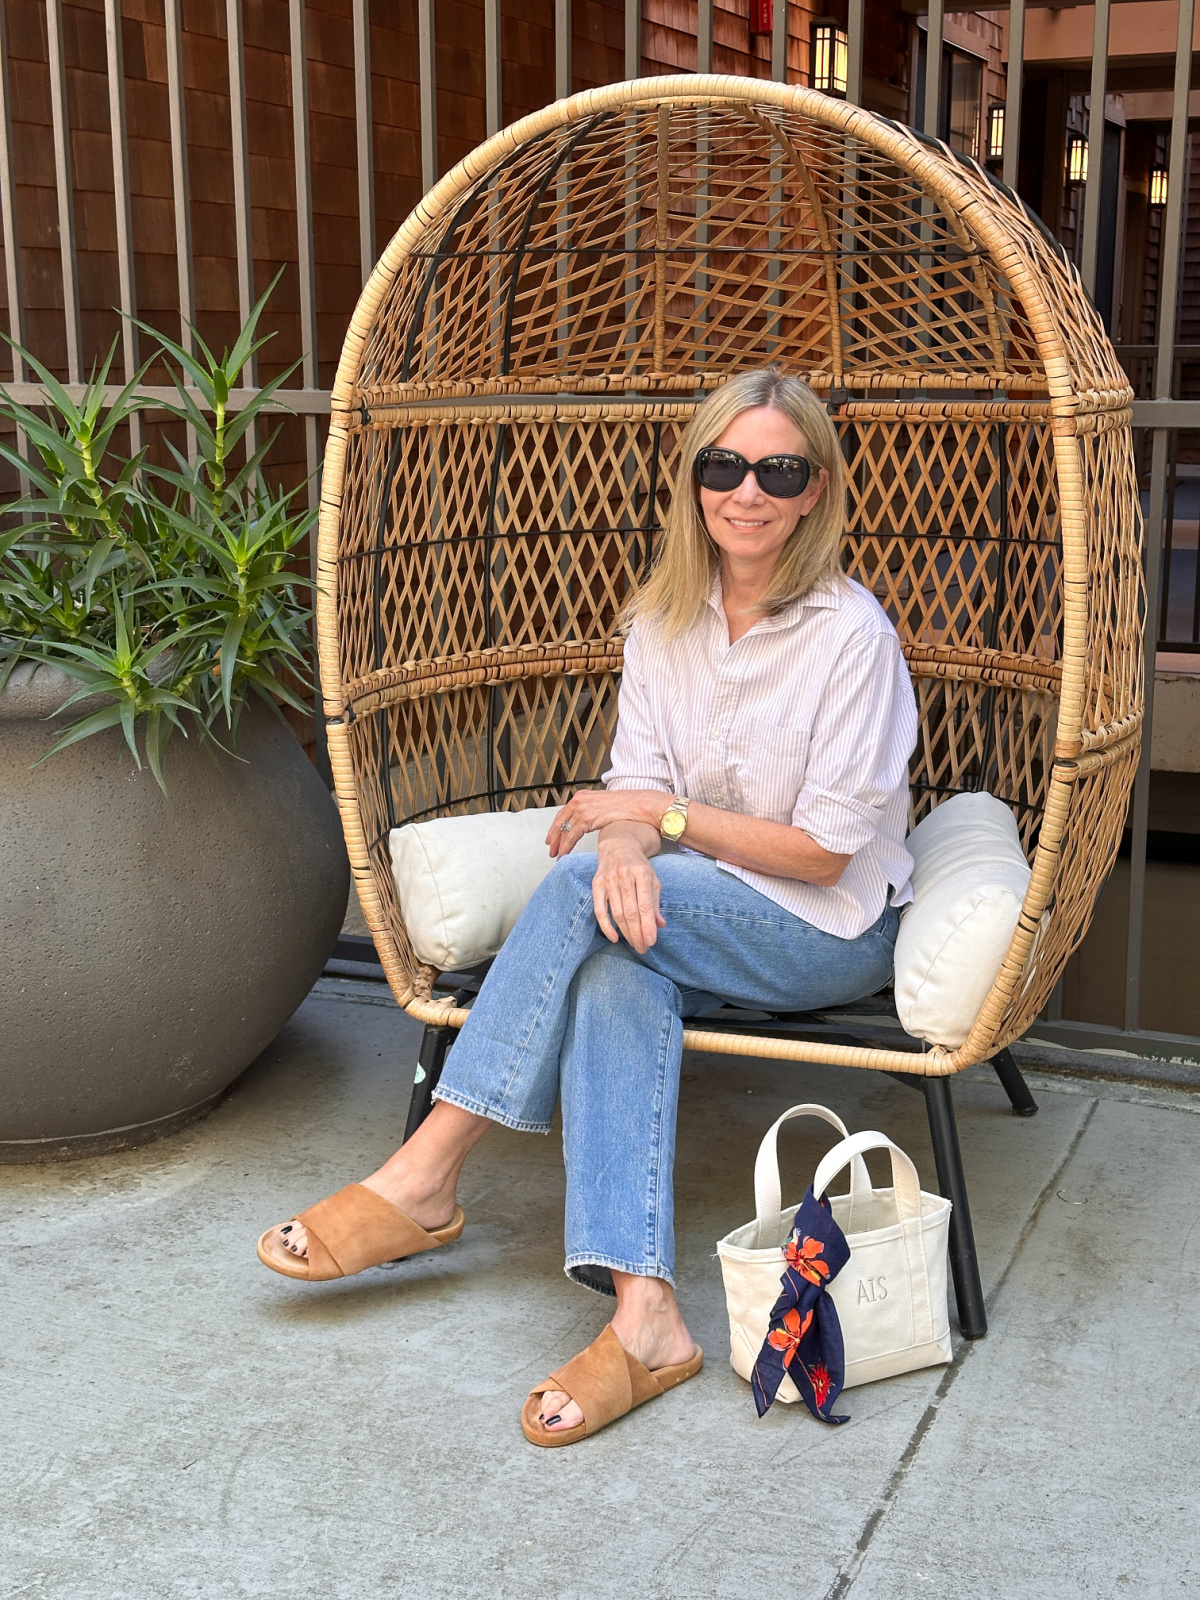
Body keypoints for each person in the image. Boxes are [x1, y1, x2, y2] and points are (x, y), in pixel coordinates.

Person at [256, 367, 918, 1448]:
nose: (747, 492)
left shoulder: (852, 637)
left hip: (825, 926)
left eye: (779, 471)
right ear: (694, 478)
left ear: (817, 492)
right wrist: (622, 841)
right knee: (613, 965)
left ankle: (427, 1173)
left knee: (575, 891)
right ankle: (647, 1316)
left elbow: (822, 850)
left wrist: (654, 821)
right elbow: (632, 787)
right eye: (724, 465)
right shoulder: (660, 621)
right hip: (693, 910)